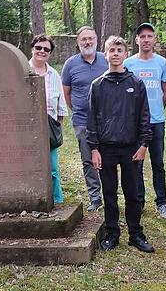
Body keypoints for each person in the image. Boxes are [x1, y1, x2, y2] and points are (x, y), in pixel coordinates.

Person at [89, 36, 155, 253]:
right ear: (105, 54)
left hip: (130, 148)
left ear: (126, 54)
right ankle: (112, 233)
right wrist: (94, 148)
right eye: (111, 50)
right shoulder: (97, 86)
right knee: (109, 192)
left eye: (119, 50)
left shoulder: (135, 83)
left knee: (133, 193)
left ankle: (136, 234)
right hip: (106, 148)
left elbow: (144, 116)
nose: (115, 54)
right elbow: (92, 119)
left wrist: (144, 144)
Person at [123, 22, 166, 219]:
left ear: (154, 39)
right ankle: (139, 200)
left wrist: (156, 109)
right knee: (137, 163)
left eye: (149, 36)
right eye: (142, 36)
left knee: (158, 163)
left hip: (157, 121)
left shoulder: (161, 62)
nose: (145, 40)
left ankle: (162, 202)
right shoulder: (129, 64)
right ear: (136, 40)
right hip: (135, 123)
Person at [62, 26, 108, 212]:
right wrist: (79, 109)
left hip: (107, 120)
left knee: (108, 158)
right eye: (84, 40)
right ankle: (95, 197)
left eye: (90, 38)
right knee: (88, 159)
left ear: (96, 40)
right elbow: (67, 93)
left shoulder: (106, 60)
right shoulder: (70, 64)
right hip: (82, 121)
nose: (87, 42)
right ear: (78, 43)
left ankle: (110, 194)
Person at [29, 34, 68, 204]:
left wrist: (57, 128)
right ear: (32, 48)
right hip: (27, 128)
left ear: (50, 53)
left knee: (52, 168)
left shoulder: (54, 75)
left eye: (46, 49)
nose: (42, 51)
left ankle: (57, 200)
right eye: (39, 47)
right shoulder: (22, 70)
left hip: (49, 128)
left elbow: (61, 107)